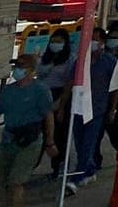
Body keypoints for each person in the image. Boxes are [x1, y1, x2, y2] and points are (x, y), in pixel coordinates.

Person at [0, 54, 53, 207]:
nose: (17, 69)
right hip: (8, 139)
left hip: (29, 140)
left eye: (22, 66)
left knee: (16, 182)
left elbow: (48, 116)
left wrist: (50, 141)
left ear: (31, 70)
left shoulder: (40, 90)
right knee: (4, 181)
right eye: (16, 66)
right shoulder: (8, 91)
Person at [70, 32, 118, 188]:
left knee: (88, 143)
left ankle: (78, 177)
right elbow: (71, 82)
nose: (92, 42)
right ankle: (89, 169)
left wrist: (112, 109)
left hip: (96, 109)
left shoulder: (109, 62)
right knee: (79, 142)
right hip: (78, 107)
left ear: (102, 43)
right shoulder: (81, 61)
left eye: (96, 39)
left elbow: (115, 88)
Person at [35, 29, 74, 173]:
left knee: (59, 134)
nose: (55, 44)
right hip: (43, 94)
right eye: (53, 41)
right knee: (40, 132)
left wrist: (61, 104)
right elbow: (38, 75)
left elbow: (69, 83)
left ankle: (59, 166)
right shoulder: (45, 58)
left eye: (59, 42)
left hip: (59, 95)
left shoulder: (70, 59)